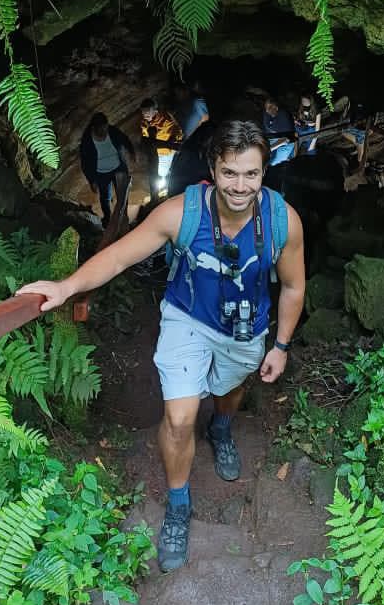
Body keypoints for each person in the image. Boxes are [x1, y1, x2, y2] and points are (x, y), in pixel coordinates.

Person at [18, 120, 305, 573]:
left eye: (251, 174)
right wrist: (66, 286)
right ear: (213, 168)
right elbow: (120, 255)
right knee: (179, 416)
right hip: (186, 318)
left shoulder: (280, 220)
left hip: (245, 329)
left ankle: (223, 429)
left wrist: (281, 345)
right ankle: (178, 503)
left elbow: (291, 287)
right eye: (230, 173)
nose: (240, 185)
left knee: (231, 391)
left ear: (264, 173)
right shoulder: (180, 214)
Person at [79, 112, 135, 227]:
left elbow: (125, 139)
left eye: (106, 128)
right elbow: (85, 163)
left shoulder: (112, 131)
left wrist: (131, 152)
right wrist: (92, 181)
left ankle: (123, 216)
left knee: (123, 194)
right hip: (101, 172)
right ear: (94, 128)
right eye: (101, 130)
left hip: (118, 167)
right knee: (105, 197)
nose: (105, 132)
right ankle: (108, 217)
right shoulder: (87, 141)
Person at [140, 97, 183, 198]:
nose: (145, 115)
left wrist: (171, 141)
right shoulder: (144, 122)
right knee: (155, 172)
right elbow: (145, 137)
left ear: (155, 111)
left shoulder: (166, 120)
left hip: (165, 152)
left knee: (162, 172)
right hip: (153, 152)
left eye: (147, 112)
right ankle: (159, 190)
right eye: (143, 112)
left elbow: (178, 131)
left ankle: (164, 189)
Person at [262, 96, 295, 166]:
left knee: (271, 163)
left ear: (276, 107)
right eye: (266, 108)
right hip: (273, 138)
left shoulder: (283, 114)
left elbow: (285, 137)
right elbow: (267, 126)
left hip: (286, 142)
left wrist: (271, 127)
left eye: (269, 108)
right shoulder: (267, 114)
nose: (267, 110)